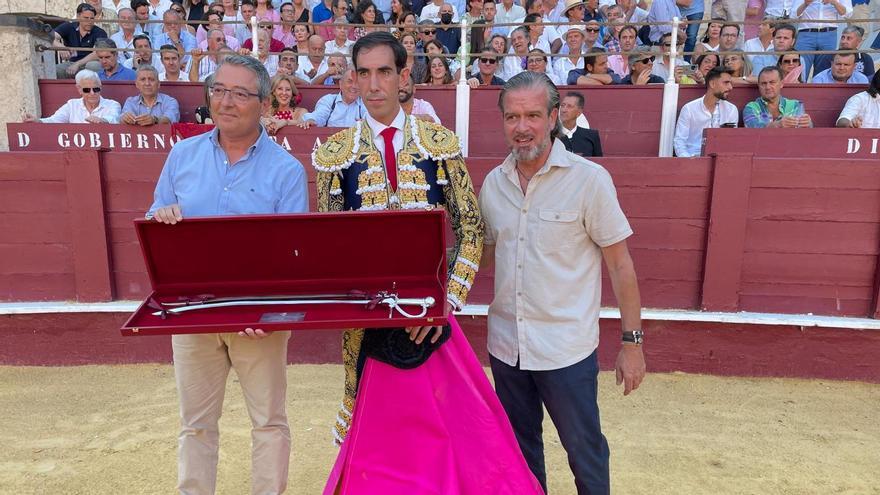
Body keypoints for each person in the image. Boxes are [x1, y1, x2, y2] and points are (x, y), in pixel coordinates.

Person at [313, 31, 542, 494]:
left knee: (457, 438)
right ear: (353, 80)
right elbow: (329, 246)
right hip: (368, 322)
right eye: (364, 73)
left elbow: (471, 230)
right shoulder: (335, 155)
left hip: (432, 320)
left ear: (403, 77)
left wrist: (442, 307)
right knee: (378, 442)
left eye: (384, 71)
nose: (374, 84)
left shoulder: (439, 143)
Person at [146, 55, 307, 495]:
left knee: (268, 422)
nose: (226, 102)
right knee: (195, 425)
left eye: (239, 93)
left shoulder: (287, 170)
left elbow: (293, 255)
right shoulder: (182, 155)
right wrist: (162, 215)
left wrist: (268, 311)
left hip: (260, 322)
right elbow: (154, 220)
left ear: (263, 102)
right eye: (218, 90)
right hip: (195, 312)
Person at [479, 71, 645, 495]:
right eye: (512, 117)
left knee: (584, 450)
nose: (522, 127)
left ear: (554, 117)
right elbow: (482, 253)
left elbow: (621, 265)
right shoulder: (493, 185)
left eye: (533, 115)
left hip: (566, 350)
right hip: (507, 347)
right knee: (518, 452)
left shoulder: (589, 179)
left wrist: (632, 344)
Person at [674, 67, 739, 157]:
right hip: (692, 158)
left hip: (719, 160)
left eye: (730, 83)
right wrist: (688, 159)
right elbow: (679, 141)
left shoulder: (731, 109)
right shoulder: (689, 108)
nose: (730, 87)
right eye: (726, 83)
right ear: (712, 84)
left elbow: (730, 142)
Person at [23, 69, 120, 124]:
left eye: (96, 89)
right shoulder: (72, 105)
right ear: (79, 89)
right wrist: (38, 121)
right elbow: (55, 120)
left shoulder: (112, 104)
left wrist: (102, 120)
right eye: (86, 90)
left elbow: (113, 118)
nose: (92, 93)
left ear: (100, 87)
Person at [792, 0, 853, 79]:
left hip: (829, 34)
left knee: (824, 72)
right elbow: (793, 15)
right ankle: (798, 91)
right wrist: (805, 4)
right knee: (799, 70)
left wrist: (834, 2)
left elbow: (848, 14)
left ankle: (819, 91)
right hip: (806, 33)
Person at [744, 66, 812, 127]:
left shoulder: (795, 105)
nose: (768, 87)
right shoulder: (751, 107)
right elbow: (752, 128)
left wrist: (808, 124)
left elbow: (804, 131)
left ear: (781, 84)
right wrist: (777, 125)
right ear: (759, 86)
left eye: (772, 82)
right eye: (763, 83)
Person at [52, 3, 107, 78]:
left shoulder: (100, 32)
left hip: (89, 63)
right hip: (71, 63)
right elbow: (50, 37)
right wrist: (61, 47)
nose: (89, 21)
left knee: (93, 66)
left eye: (92, 18)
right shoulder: (69, 26)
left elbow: (97, 53)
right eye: (86, 18)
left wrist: (77, 64)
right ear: (78, 16)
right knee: (54, 70)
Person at [299, 68, 367, 127]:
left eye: (357, 83)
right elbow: (319, 115)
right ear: (341, 84)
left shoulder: (366, 103)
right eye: (350, 81)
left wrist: (368, 123)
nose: (354, 86)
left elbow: (370, 117)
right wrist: (312, 120)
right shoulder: (329, 100)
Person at [558, 91, 603, 157]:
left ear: (579, 112)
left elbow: (598, 163)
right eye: (562, 105)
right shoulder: (551, 135)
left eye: (569, 106)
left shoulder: (592, 136)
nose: (563, 110)